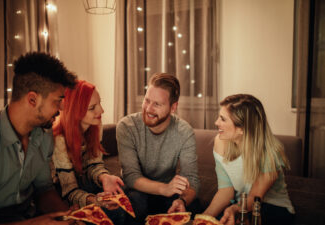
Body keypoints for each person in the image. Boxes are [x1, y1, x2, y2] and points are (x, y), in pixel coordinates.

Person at [0, 52, 77, 224]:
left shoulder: (43, 133)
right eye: (57, 101)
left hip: (28, 214)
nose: (62, 108)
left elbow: (43, 189)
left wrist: (70, 216)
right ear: (32, 99)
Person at [116, 73, 201, 224]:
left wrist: (182, 200)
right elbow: (131, 177)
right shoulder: (126, 126)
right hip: (137, 191)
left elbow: (192, 179)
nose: (148, 109)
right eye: (147, 100)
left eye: (157, 104)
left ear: (173, 107)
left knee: (192, 205)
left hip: (168, 194)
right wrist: (165, 188)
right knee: (136, 201)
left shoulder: (184, 131)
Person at [203, 94, 295, 225]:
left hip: (272, 207)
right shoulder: (220, 142)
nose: (216, 123)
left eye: (223, 119)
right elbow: (225, 190)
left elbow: (255, 197)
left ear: (242, 128)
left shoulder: (270, 152)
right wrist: (203, 218)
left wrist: (235, 209)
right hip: (241, 204)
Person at [52, 80, 126, 225]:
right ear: (75, 111)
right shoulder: (58, 140)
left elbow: (94, 164)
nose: (102, 111)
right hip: (61, 195)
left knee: (123, 201)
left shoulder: (95, 127)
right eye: (93, 108)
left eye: (100, 103)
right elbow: (68, 191)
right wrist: (96, 201)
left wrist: (104, 177)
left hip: (86, 185)